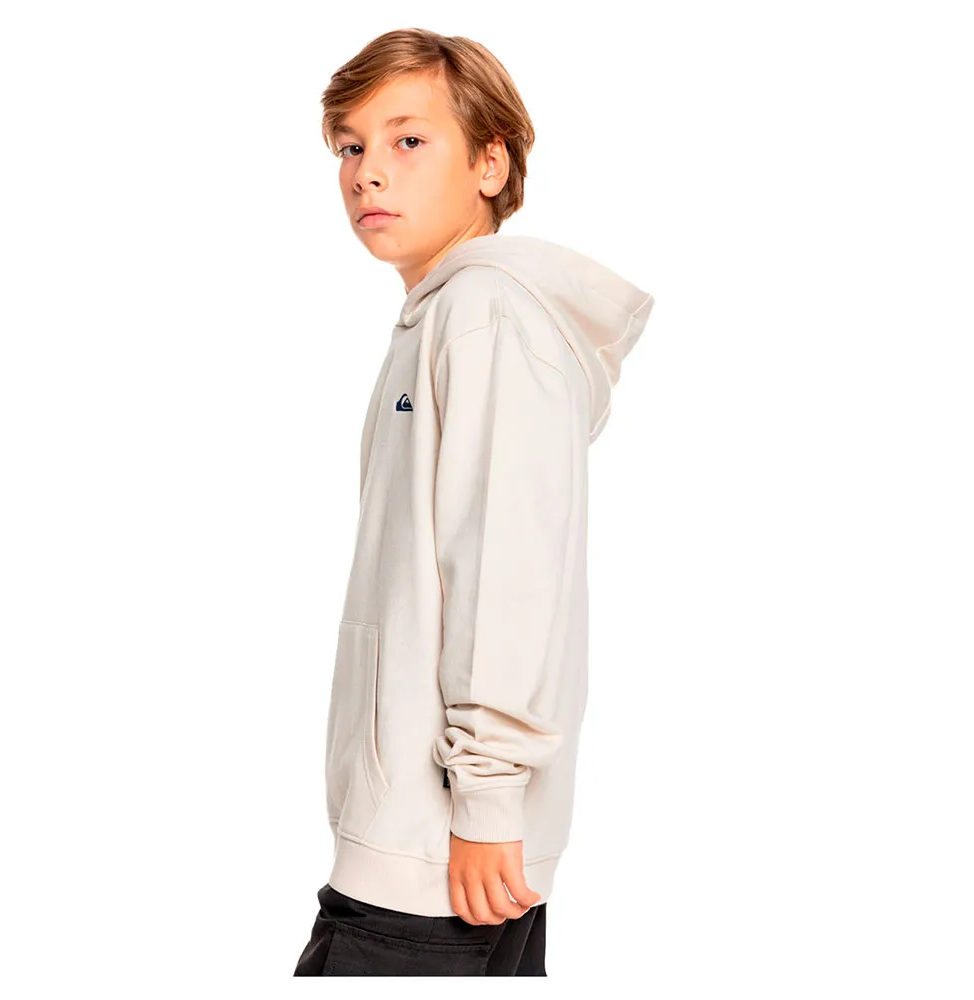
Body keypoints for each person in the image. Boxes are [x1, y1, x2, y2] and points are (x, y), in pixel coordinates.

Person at [293, 27, 654, 977]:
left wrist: (488, 802)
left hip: (436, 858)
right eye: (350, 146)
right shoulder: (445, 314)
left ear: (491, 164)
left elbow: (506, 569)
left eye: (408, 139)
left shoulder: (483, 313)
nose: (368, 172)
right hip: (438, 845)